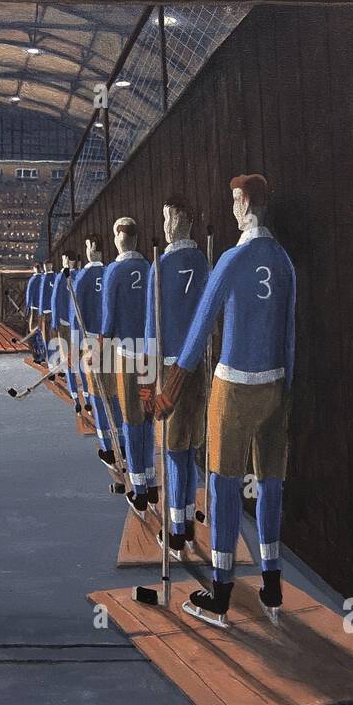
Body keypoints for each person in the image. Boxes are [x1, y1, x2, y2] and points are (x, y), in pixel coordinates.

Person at [151, 174, 295, 626]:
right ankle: (272, 584)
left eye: (235, 201)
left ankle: (221, 591)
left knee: (223, 484)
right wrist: (286, 390)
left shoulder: (233, 259)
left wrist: (169, 390)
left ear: (246, 203)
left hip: (234, 387)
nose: (232, 209)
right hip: (277, 385)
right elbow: (290, 333)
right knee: (271, 482)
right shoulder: (284, 261)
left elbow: (198, 333)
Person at [143, 195, 209, 560]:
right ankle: (186, 524)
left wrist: (146, 385)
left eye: (168, 218)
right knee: (189, 447)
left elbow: (151, 332)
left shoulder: (160, 265)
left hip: (170, 369)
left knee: (172, 449)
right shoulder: (203, 262)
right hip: (196, 367)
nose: (166, 226)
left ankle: (177, 530)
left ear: (180, 220)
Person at [100, 216, 155, 517]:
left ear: (119, 238)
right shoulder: (148, 268)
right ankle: (151, 478)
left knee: (130, 417)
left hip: (127, 353)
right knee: (147, 415)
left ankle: (139, 490)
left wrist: (98, 347)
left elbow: (109, 321)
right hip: (150, 353)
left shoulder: (114, 271)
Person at [71, 236, 119, 464]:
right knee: (115, 393)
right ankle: (122, 442)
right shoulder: (111, 272)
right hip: (114, 341)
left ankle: (108, 447)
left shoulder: (82, 278)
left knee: (98, 394)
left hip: (92, 341)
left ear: (91, 248)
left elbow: (76, 316)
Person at [49, 252, 84, 412]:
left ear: (67, 260)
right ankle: (87, 395)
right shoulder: (81, 275)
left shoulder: (61, 276)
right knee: (80, 360)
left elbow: (55, 301)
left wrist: (54, 322)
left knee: (68, 360)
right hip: (79, 325)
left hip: (65, 323)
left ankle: (76, 397)